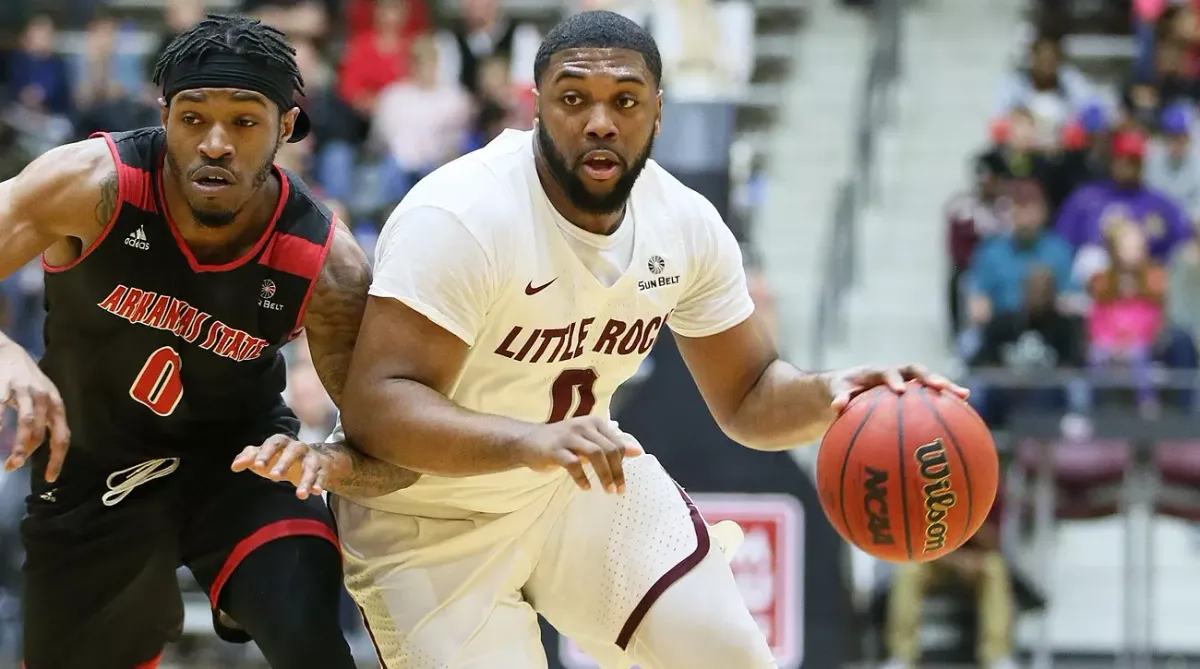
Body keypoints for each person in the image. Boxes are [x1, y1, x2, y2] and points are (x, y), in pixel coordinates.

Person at [239, 11, 967, 669]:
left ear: (656, 113)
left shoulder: (684, 224)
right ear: (536, 107)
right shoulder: (462, 215)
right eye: (573, 98)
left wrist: (833, 394)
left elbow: (749, 395)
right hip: (425, 519)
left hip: (574, 490)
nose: (599, 121)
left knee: (733, 657)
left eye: (624, 100)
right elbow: (377, 409)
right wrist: (526, 442)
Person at [0, 15, 418, 669]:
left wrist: (330, 457)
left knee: (312, 643)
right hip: (91, 473)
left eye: (245, 122)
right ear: (164, 114)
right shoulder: (87, 184)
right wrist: (6, 354)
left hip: (239, 468)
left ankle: (243, 582)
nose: (215, 143)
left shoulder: (324, 259)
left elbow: (395, 448)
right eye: (193, 119)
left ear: (286, 126)